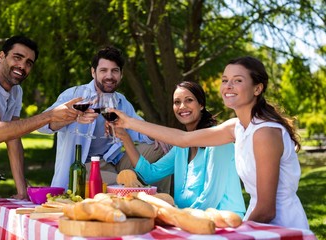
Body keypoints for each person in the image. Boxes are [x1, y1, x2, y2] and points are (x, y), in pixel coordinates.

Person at [109, 56, 309, 229]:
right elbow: (183, 140)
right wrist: (128, 123)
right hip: (253, 223)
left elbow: (266, 210)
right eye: (225, 80)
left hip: (281, 226)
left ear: (257, 88)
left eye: (237, 80)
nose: (228, 86)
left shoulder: (265, 132)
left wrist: (238, 232)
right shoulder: (236, 127)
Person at [38, 46, 171, 193]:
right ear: (93, 72)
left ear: (121, 74)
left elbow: (140, 129)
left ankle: (165, 202)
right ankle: (145, 194)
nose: (109, 76)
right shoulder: (74, 95)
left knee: (165, 148)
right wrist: (72, 117)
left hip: (114, 161)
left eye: (114, 71)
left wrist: (157, 135)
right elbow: (42, 126)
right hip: (85, 166)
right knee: (124, 186)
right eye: (103, 70)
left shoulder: (121, 101)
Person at [0, 35, 80, 200]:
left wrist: (22, 191)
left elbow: (13, 139)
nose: (22, 66)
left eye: (28, 63)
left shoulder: (16, 92)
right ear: (1, 56)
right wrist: (49, 116)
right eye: (17, 57)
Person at [113, 81, 246, 216]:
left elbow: (211, 197)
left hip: (224, 221)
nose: (182, 106)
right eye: (177, 102)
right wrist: (125, 137)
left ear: (201, 105)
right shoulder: (181, 148)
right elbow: (149, 175)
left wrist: (177, 216)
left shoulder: (218, 140)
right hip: (189, 221)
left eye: (189, 100)